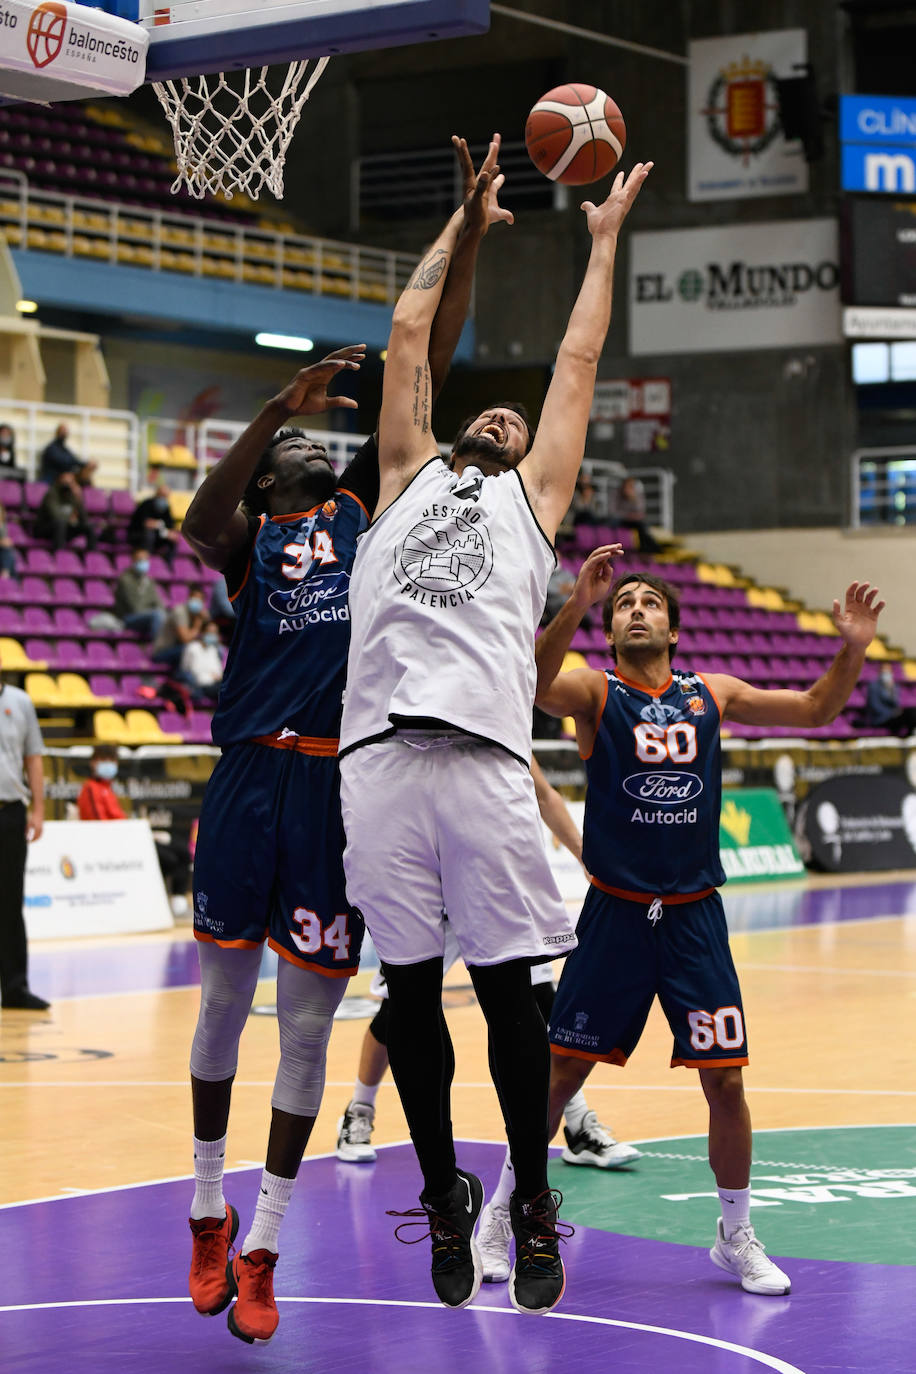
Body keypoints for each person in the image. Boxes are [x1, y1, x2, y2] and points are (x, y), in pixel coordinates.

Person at [177, 137, 504, 1347]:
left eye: (322, 446)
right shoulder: (243, 537)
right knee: (217, 1012)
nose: (317, 453)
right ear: (271, 476)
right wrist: (273, 407)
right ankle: (205, 1211)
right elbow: (203, 513)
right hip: (250, 775)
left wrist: (466, 229)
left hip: (336, 795)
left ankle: (261, 1243)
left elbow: (431, 360)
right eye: (294, 453)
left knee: (305, 1028)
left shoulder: (370, 515)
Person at [337, 148, 652, 1317]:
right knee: (407, 999)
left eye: (521, 420)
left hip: (479, 762)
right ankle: (441, 1186)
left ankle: (528, 1200)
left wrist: (603, 240)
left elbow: (575, 358)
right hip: (374, 762)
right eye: (495, 408)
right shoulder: (405, 469)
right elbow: (409, 336)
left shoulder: (534, 503)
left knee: (511, 995)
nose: (509, 412)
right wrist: (463, 222)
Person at [514, 546, 885, 1298]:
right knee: (559, 1077)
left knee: (725, 1081)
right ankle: (508, 1210)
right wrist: (579, 602)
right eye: (626, 606)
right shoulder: (595, 691)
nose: (638, 609)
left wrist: (850, 651)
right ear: (612, 633)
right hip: (615, 916)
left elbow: (816, 710)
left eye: (650, 603)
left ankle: (735, 1233)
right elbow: (534, 681)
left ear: (675, 632)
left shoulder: (710, 693)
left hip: (693, 919)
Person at [336, 758, 641, 1266]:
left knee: (537, 1008)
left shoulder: (495, 726)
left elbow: (544, 794)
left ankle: (578, 1123)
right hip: (429, 880)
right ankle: (359, 1111)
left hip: (491, 878)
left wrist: (593, 860)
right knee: (398, 1013)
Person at [76, 745, 190, 914]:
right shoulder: (90, 788)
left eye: (111, 760)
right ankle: (157, 900)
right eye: (103, 760)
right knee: (169, 859)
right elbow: (100, 825)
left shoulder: (108, 788)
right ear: (93, 763)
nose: (108, 764)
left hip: (131, 837)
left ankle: (178, 901)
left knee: (183, 851)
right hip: (117, 843)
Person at [0, 646, 49, 1011]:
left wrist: (39, 809)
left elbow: (33, 757)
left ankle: (15, 989)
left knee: (9, 901)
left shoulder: (19, 701)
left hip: (10, 812)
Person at [33, 471, 98, 551]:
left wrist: (79, 499)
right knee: (60, 523)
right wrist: (71, 519)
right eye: (65, 482)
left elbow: (83, 518)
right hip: (45, 528)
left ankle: (91, 555)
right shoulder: (52, 494)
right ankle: (59, 553)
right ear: (59, 481)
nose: (67, 485)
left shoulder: (72, 495)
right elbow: (55, 515)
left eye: (70, 482)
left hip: (65, 528)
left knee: (89, 526)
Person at [114, 546, 166, 642]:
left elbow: (158, 603)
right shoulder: (125, 580)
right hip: (128, 618)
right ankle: (157, 648)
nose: (143, 563)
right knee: (157, 615)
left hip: (146, 616)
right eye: (140, 560)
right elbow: (135, 607)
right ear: (133, 561)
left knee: (165, 616)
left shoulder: (149, 580)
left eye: (145, 560)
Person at [152, 583, 208, 671]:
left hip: (179, 651)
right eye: (195, 598)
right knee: (190, 649)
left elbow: (210, 632)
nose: (197, 602)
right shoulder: (180, 612)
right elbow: (185, 639)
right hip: (162, 652)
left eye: (199, 600)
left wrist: (206, 620)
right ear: (189, 598)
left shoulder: (197, 614)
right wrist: (198, 624)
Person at [128, 482, 181, 564]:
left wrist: (170, 533)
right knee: (149, 534)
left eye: (166, 496)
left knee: (173, 539)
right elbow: (147, 523)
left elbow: (170, 525)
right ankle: (143, 560)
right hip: (139, 535)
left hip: (157, 536)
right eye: (162, 495)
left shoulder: (166, 508)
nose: (163, 498)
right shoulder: (146, 504)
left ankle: (168, 564)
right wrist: (161, 528)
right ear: (157, 493)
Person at [865, 663, 916, 737]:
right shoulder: (873, 686)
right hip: (881, 718)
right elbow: (874, 706)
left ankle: (909, 734)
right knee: (910, 713)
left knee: (912, 711)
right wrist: (892, 713)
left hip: (892, 717)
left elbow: (896, 703)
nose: (886, 674)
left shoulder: (894, 686)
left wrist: (891, 691)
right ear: (879, 672)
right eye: (884, 671)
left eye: (888, 671)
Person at [612, 474, 659, 553]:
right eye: (627, 486)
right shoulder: (617, 495)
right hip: (621, 521)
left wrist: (632, 499)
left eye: (631, 486)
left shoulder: (637, 496)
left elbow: (641, 510)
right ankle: (650, 549)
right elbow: (614, 512)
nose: (629, 488)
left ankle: (649, 548)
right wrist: (628, 515)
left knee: (642, 526)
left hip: (634, 521)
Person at [180, 620, 224, 703]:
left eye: (214, 633)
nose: (212, 635)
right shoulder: (192, 647)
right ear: (203, 632)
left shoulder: (214, 650)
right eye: (209, 632)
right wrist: (212, 676)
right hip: (202, 685)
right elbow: (186, 669)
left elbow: (219, 672)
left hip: (216, 683)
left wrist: (218, 676)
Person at [0, 502, 18, 579]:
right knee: (7, 552)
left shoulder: (3, 526)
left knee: (9, 554)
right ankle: (6, 573)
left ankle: (6, 572)